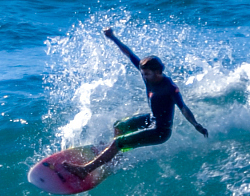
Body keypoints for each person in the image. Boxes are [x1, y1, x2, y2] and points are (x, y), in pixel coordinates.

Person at [70, 28, 209, 177]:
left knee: (118, 142)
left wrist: (196, 125)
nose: (144, 76)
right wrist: (112, 37)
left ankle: (85, 170)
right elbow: (129, 53)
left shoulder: (169, 87)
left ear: (158, 72)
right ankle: (115, 156)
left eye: (147, 74)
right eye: (142, 73)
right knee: (119, 126)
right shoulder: (147, 72)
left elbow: (183, 108)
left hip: (160, 132)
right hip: (152, 119)